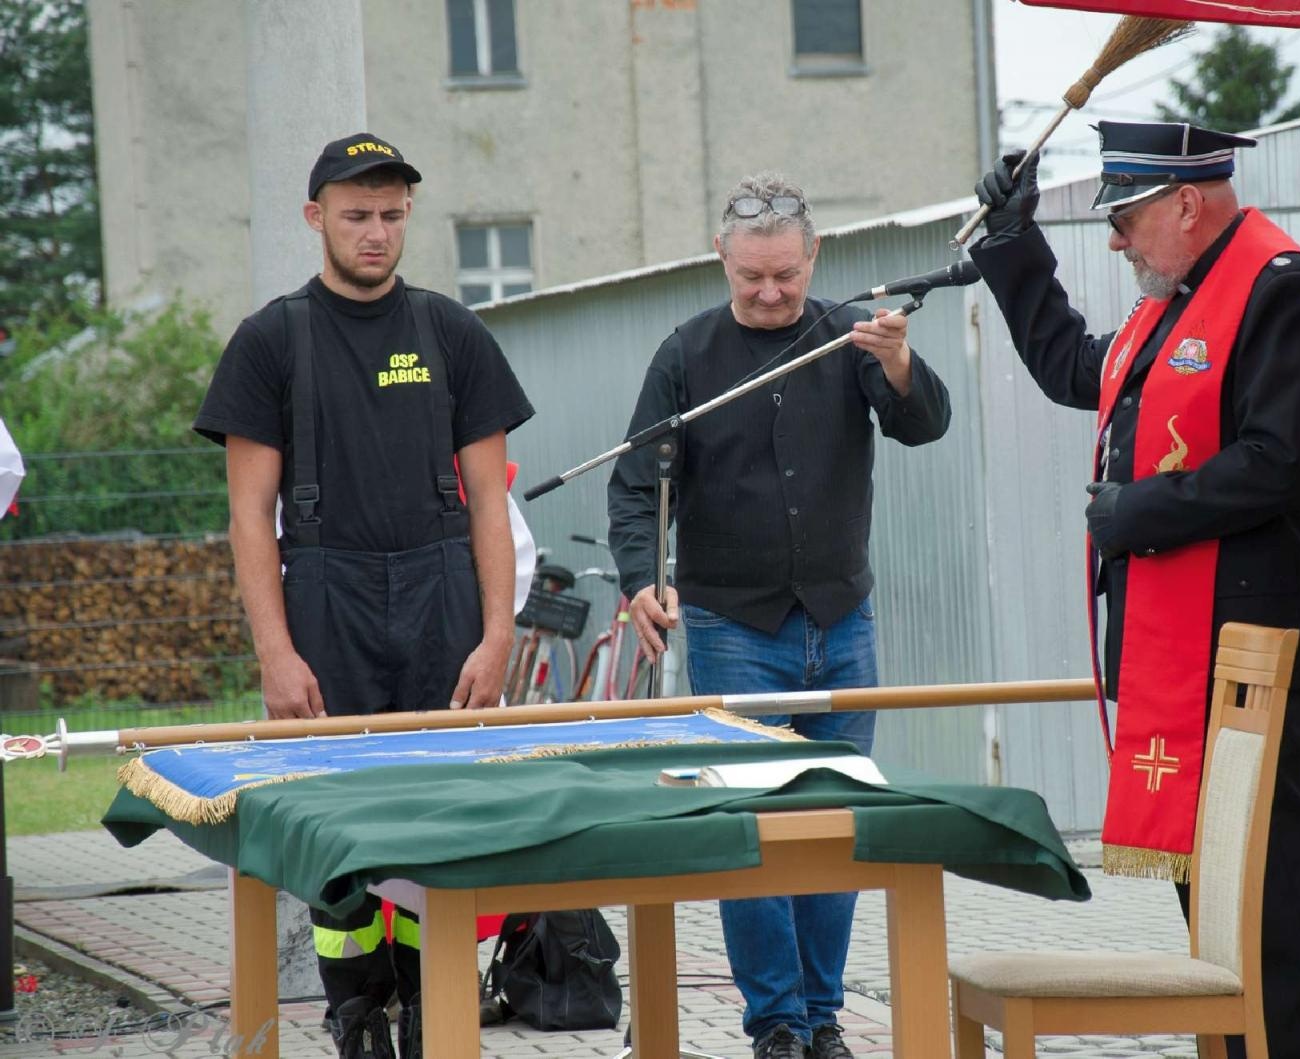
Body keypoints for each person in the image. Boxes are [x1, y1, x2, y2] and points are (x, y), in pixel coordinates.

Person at [968, 123, 1300, 1058]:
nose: (1116, 240)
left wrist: (1136, 512)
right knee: (1216, 908)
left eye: (1126, 218)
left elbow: (1278, 461)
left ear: (1188, 204)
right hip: (1191, 651)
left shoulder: (1282, 290)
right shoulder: (1177, 306)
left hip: (1251, 645)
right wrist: (1014, 243)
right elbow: (1077, 367)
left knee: (1270, 901)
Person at [193, 132, 533, 1058]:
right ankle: (355, 1008)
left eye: (391, 214)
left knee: (440, 819)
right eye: (356, 216)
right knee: (338, 823)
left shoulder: (453, 334)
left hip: (441, 597)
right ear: (316, 218)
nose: (376, 232)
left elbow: (490, 504)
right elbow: (248, 518)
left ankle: (432, 1005)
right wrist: (275, 652)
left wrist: (497, 635)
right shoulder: (270, 341)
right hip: (326, 599)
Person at [607, 173, 951, 1059]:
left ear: (815, 257)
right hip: (733, 626)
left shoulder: (852, 336)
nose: (769, 293)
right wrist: (642, 580)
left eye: (786, 276)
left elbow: (923, 424)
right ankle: (777, 1025)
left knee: (836, 823)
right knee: (754, 826)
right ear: (721, 257)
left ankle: (823, 1015)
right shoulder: (684, 355)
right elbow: (636, 485)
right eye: (752, 276)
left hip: (842, 617)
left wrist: (899, 365)